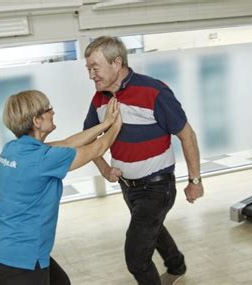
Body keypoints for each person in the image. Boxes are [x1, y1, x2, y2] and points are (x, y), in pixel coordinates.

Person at [83, 36, 204, 285]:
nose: (91, 75)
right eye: (88, 69)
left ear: (117, 63)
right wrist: (104, 168)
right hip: (129, 187)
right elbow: (87, 138)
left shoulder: (154, 91)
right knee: (153, 228)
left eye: (95, 68)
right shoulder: (99, 99)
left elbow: (187, 135)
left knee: (136, 258)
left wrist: (195, 180)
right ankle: (177, 266)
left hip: (157, 187)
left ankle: (173, 268)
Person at [0, 89, 121, 285]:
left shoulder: (14, 148)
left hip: (4, 246)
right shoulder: (41, 160)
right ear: (36, 120)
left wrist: (105, 124)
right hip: (22, 259)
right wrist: (117, 124)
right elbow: (98, 149)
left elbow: (67, 143)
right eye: (48, 109)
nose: (53, 112)